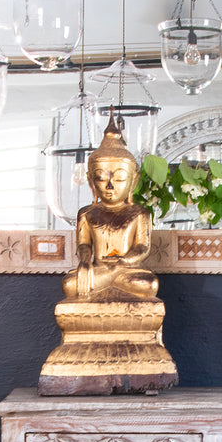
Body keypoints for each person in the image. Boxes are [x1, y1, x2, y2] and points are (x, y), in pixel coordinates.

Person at [62, 112, 159, 302]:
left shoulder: (139, 213)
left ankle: (111, 278)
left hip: (126, 271)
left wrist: (124, 261)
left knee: (149, 284)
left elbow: (143, 247)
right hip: (98, 270)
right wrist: (85, 262)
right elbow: (84, 244)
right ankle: (108, 278)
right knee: (69, 284)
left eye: (120, 178)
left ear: (133, 181)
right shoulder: (86, 213)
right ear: (91, 181)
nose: (110, 186)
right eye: (101, 178)